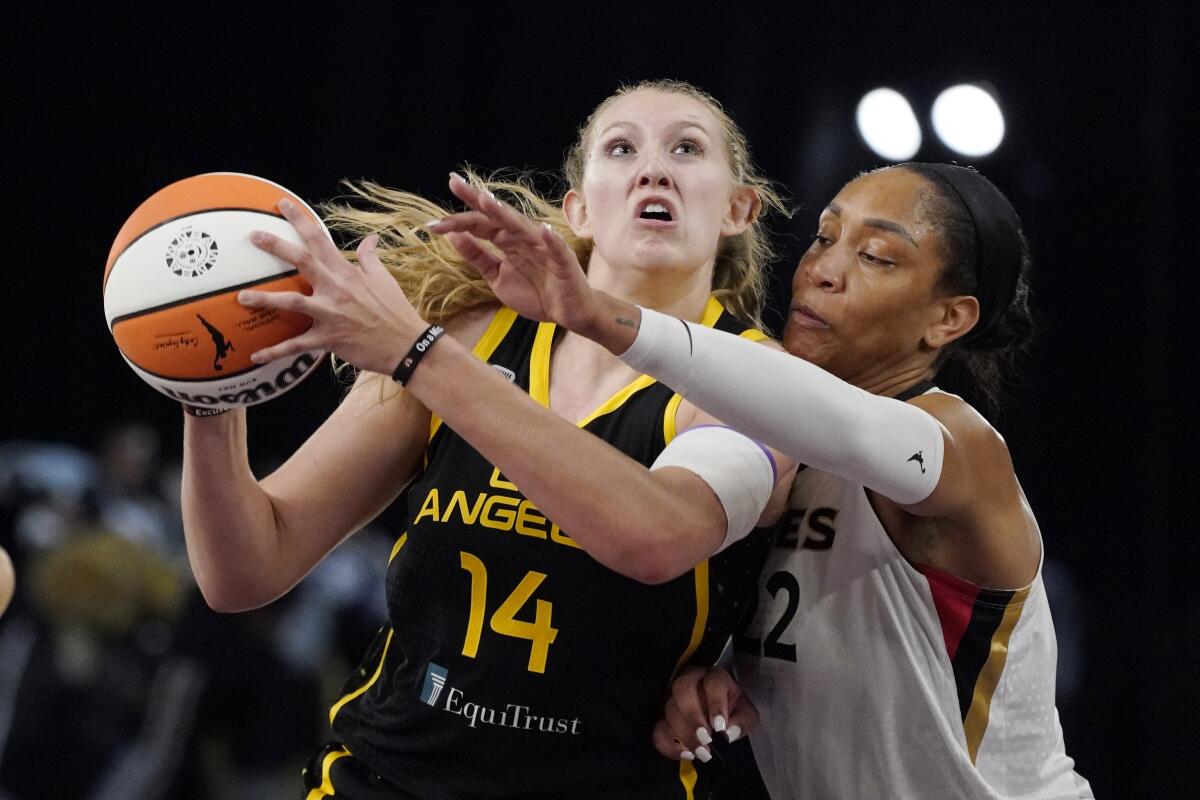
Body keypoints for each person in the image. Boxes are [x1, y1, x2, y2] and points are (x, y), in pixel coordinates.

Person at [183, 79, 796, 799]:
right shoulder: (475, 337)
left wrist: (419, 355)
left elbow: (654, 538)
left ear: (738, 208)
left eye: (686, 149)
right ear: (579, 207)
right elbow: (247, 568)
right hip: (385, 778)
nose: (652, 169)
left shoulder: (761, 380)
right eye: (621, 148)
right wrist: (208, 393)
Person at [435, 162, 1094, 798]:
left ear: (947, 320)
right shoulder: (782, 460)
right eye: (826, 236)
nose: (825, 270)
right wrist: (715, 682)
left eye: (877, 257)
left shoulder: (958, 443)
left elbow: (855, 430)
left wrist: (603, 315)